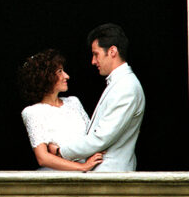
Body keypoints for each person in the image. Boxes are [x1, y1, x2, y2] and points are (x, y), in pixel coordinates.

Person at [47, 23, 145, 172]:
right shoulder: (119, 83)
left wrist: (61, 152)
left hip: (110, 173)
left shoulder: (126, 87)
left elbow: (101, 138)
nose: (93, 61)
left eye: (96, 54)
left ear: (112, 51)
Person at [18, 49, 104, 171]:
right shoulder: (33, 112)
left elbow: (92, 136)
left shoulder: (74, 102)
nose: (67, 76)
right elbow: (43, 158)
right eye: (60, 71)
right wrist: (82, 167)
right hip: (59, 176)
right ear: (46, 77)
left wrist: (58, 151)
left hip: (91, 172)